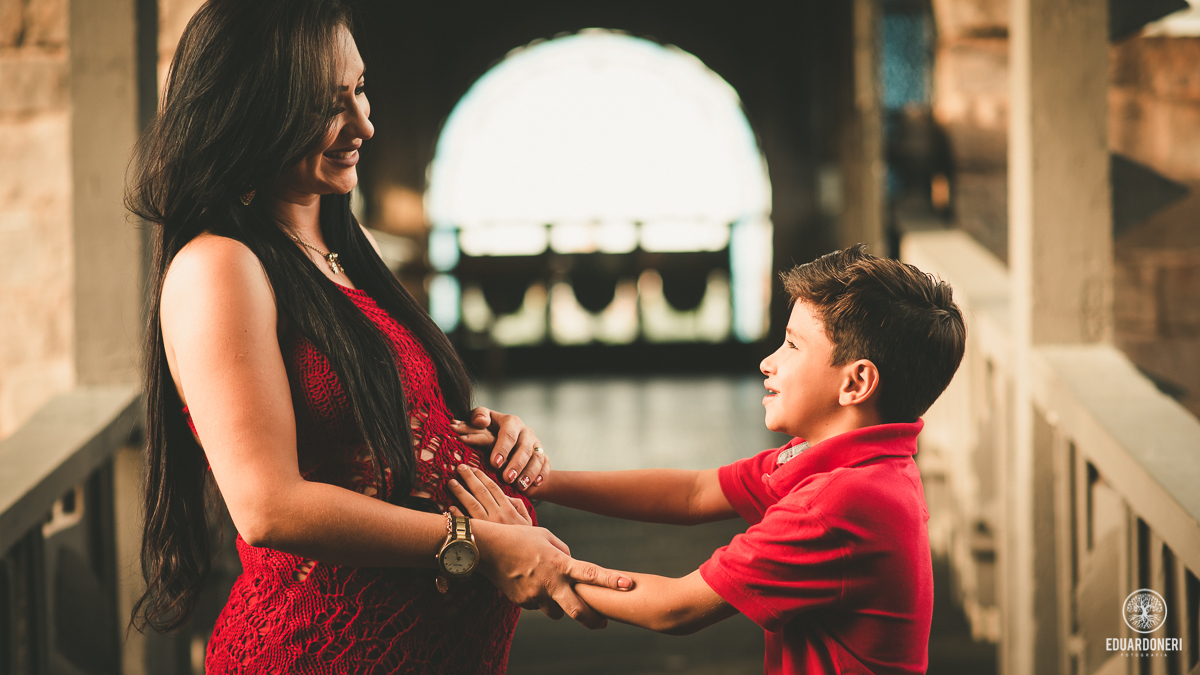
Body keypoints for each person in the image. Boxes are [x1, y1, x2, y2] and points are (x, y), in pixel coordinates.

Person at [125, 1, 629, 672]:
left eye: (359, 89)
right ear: (252, 107)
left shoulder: (335, 256)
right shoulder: (221, 264)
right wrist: (479, 541)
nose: (364, 122)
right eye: (326, 105)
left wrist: (481, 438)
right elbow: (267, 505)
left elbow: (362, 430)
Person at [458, 245, 966, 674]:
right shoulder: (850, 462)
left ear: (855, 382)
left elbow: (675, 608)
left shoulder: (841, 502)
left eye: (792, 346)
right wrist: (531, 481)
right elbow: (693, 492)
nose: (768, 362)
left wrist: (541, 566)